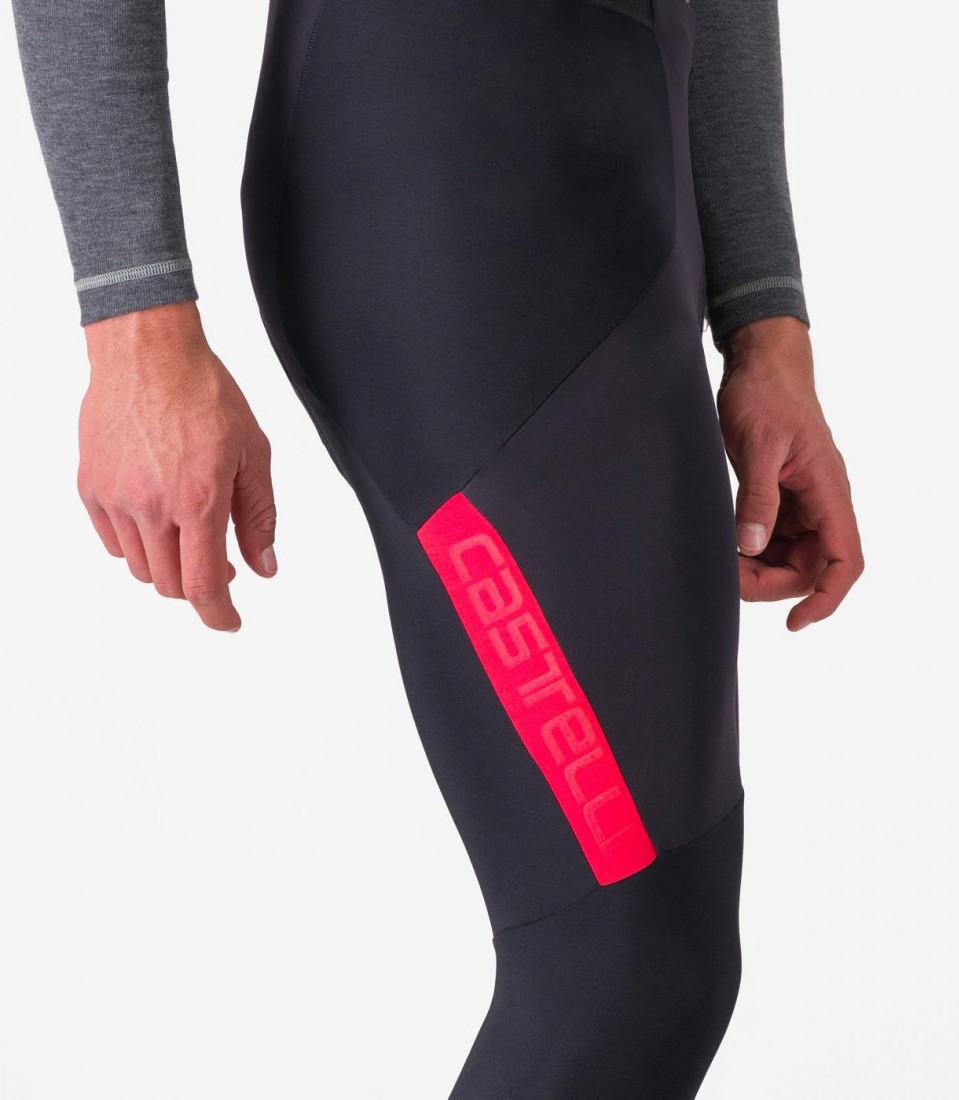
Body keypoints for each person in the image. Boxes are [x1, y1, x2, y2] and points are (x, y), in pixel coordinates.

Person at [11, 0, 862, 1095]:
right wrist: (131, 317)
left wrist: (763, 319)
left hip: (629, 181)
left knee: (664, 953)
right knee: (621, 966)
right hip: (453, 190)